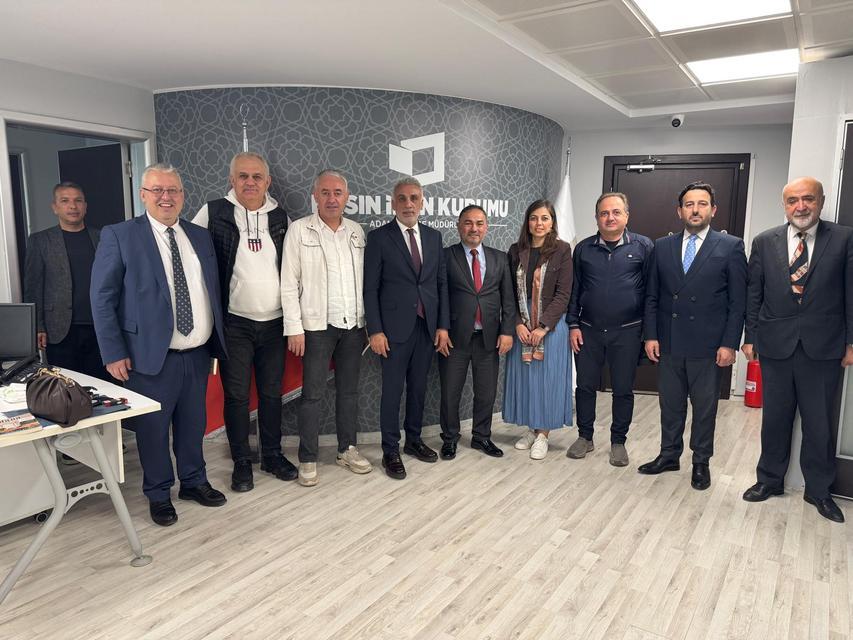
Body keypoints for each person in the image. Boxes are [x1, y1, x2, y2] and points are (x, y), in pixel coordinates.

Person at [91, 163, 227, 527]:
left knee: (193, 424)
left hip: (196, 353)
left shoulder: (199, 236)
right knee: (153, 430)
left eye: (173, 190)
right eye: (158, 190)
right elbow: (102, 298)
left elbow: (209, 290)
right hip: (149, 357)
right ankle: (158, 493)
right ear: (143, 195)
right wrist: (113, 352)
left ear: (183, 195)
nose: (166, 197)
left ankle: (194, 482)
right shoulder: (120, 236)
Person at [741, 177, 853, 523]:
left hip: (824, 346)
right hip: (775, 345)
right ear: (784, 205)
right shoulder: (764, 241)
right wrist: (750, 337)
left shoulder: (844, 238)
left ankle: (818, 490)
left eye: (808, 199)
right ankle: (769, 480)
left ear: (821, 201)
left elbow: (851, 293)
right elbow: (754, 294)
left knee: (819, 423)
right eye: (792, 201)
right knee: (774, 419)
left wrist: (851, 342)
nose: (800, 207)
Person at [193, 152, 295, 492]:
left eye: (256, 177)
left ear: (267, 181)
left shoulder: (281, 217)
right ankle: (241, 461)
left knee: (271, 394)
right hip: (234, 324)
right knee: (236, 396)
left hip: (275, 324)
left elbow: (293, 268)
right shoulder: (213, 212)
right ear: (232, 180)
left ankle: (272, 456)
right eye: (243, 176)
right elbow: (192, 260)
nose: (250, 182)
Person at [639, 181, 747, 491]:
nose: (695, 210)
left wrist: (729, 343)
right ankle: (669, 455)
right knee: (670, 405)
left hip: (708, 344)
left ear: (713, 210)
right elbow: (652, 296)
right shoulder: (662, 246)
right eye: (689, 204)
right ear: (680, 211)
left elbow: (737, 302)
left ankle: (701, 461)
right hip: (669, 340)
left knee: (704, 408)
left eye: (702, 204)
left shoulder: (730, 246)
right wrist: (651, 335)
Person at [281, 170, 372, 486]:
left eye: (338, 193)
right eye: (325, 192)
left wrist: (368, 323)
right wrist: (294, 327)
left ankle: (347, 449)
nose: (332, 199)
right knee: (312, 395)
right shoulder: (299, 230)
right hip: (316, 327)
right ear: (315, 196)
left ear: (346, 197)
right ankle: (307, 457)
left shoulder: (356, 231)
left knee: (349, 391)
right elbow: (288, 282)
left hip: (353, 326)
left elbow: (366, 281)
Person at [364, 176, 450, 479]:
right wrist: (375, 330)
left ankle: (413, 440)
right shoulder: (379, 238)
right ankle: (390, 450)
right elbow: (370, 289)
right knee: (392, 392)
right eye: (402, 198)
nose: (408, 204)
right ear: (393, 203)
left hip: (426, 327)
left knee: (418, 388)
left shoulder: (433, 237)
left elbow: (440, 284)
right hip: (392, 331)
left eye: (414, 198)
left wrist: (443, 326)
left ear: (422, 202)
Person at [567, 192, 653, 467]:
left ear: (627, 215)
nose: (610, 218)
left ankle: (618, 442)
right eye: (604, 213)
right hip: (588, 330)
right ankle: (585, 437)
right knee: (585, 386)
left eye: (616, 212)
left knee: (623, 389)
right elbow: (575, 289)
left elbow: (651, 293)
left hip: (628, 331)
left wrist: (649, 333)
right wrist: (573, 324)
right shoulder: (583, 249)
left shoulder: (643, 246)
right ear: (596, 218)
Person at [438, 204, 515, 460]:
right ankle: (450, 438)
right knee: (450, 393)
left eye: (479, 223)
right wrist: (442, 328)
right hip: (454, 338)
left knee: (486, 392)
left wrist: (507, 331)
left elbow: (508, 299)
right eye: (468, 223)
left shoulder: (500, 258)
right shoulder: (446, 256)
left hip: (488, 338)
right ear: (459, 226)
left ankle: (482, 437)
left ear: (486, 227)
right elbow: (439, 296)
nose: (474, 228)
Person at [503, 199, 573, 459]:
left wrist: (543, 326)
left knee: (546, 381)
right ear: (527, 222)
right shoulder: (515, 250)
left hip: (550, 327)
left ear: (552, 222)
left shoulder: (562, 250)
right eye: (534, 218)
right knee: (528, 381)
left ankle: (544, 434)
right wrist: (517, 323)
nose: (539, 223)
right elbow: (508, 292)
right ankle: (532, 430)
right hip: (522, 325)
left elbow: (564, 293)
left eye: (545, 218)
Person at [23, 182, 104, 380]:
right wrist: (37, 326)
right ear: (55, 207)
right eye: (65, 201)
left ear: (85, 206)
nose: (73, 206)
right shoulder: (40, 241)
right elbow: (33, 287)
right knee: (64, 386)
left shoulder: (103, 237)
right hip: (58, 330)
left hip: (100, 327)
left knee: (104, 385)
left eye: (78, 201)